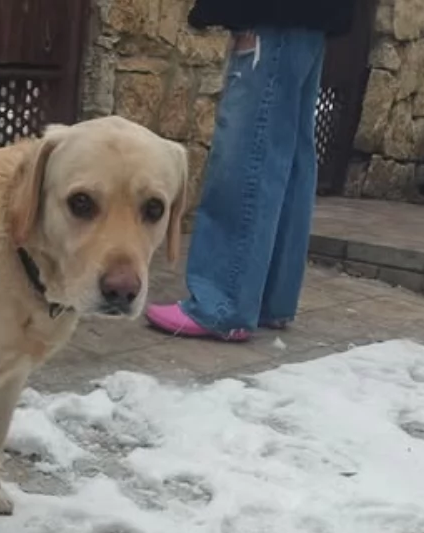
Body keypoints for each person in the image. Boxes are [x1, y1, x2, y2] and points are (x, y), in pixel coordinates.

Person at [146, 0, 358, 342]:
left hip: (270, 15)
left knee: (246, 152)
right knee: (288, 160)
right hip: (316, 16)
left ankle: (221, 303)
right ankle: (271, 300)